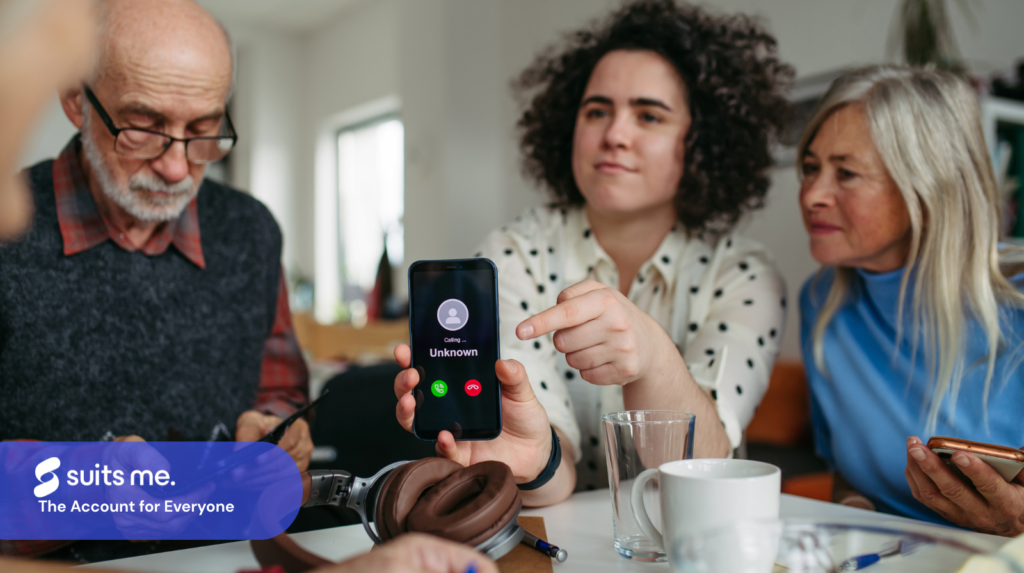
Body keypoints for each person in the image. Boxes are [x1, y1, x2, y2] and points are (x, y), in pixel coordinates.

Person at [394, 0, 793, 503]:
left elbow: (706, 469)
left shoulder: (742, 275)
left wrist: (651, 358)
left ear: (700, 142)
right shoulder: (513, 255)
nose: (614, 135)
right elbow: (548, 471)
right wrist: (535, 459)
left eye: (649, 116)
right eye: (597, 110)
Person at [0, 0, 314, 561]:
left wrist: (274, 435)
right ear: (77, 99)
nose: (176, 168)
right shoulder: (7, 231)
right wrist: (83, 485)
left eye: (203, 129)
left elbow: (280, 388)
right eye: (143, 127)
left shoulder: (250, 232)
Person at [798, 65, 1024, 536]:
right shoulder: (821, 303)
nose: (812, 195)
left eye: (847, 173)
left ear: (926, 187)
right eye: (811, 167)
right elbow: (848, 474)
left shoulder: (1017, 302)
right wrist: (852, 512)